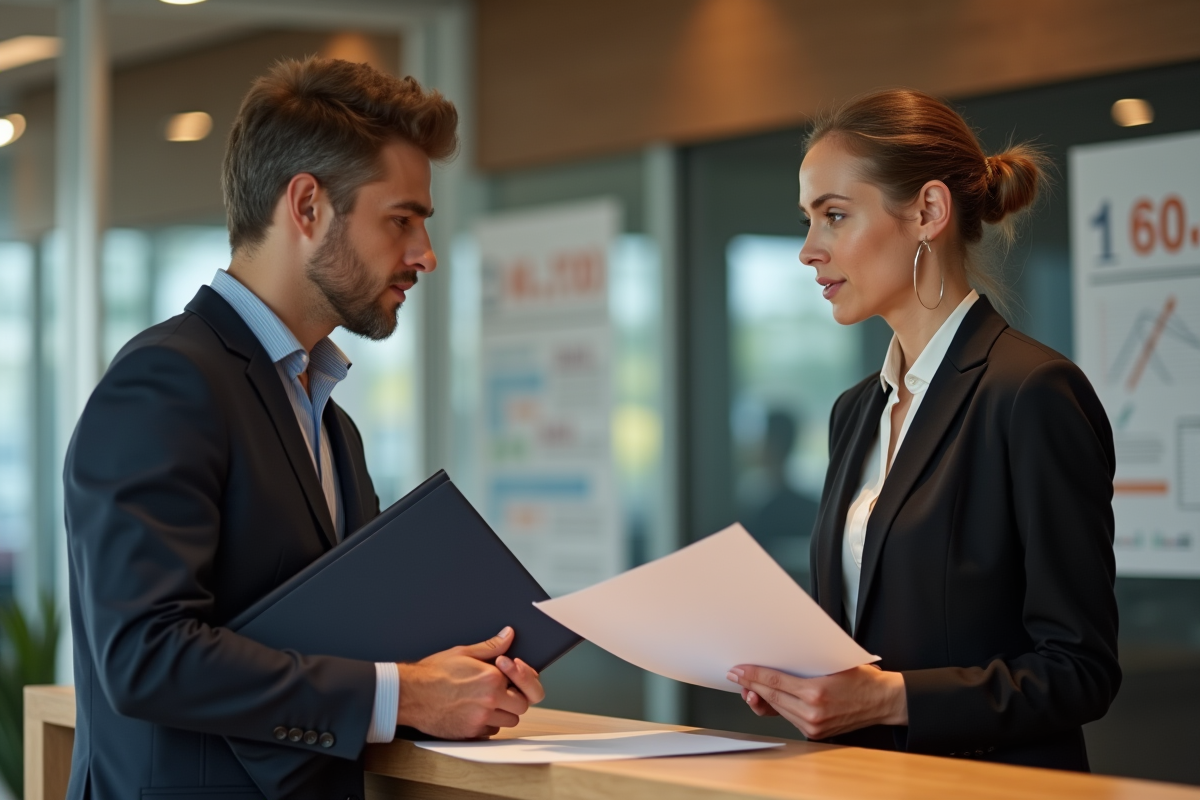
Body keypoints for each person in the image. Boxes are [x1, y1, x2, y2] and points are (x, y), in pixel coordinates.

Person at [64, 58, 545, 800]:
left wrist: (455, 670)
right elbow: (144, 656)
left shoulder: (330, 418)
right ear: (308, 206)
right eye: (402, 219)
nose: (425, 254)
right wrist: (404, 694)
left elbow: (341, 637)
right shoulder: (166, 381)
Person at [726, 89, 1121, 771]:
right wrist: (806, 682)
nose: (808, 251)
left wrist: (889, 699)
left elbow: (1079, 668)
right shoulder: (856, 411)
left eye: (834, 216)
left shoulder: (1031, 393)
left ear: (929, 213)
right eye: (807, 220)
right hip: (863, 780)